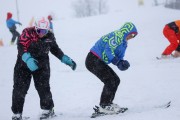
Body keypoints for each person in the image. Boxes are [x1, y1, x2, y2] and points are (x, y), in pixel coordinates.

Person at [11, 17, 76, 120]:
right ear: (35, 28)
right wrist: (27, 59)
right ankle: (17, 114)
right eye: (39, 31)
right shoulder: (27, 32)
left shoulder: (49, 36)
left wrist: (64, 58)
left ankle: (48, 110)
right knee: (19, 89)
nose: (42, 33)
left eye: (44, 31)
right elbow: (21, 46)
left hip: (41, 65)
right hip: (23, 65)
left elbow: (55, 49)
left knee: (43, 87)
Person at [85, 22, 138, 115]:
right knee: (110, 80)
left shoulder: (124, 43)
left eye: (134, 36)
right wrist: (117, 62)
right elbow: (108, 50)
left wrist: (122, 63)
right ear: (126, 31)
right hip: (93, 59)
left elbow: (118, 57)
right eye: (131, 34)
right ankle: (104, 106)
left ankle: (108, 103)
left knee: (116, 80)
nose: (132, 37)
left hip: (99, 61)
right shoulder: (117, 35)